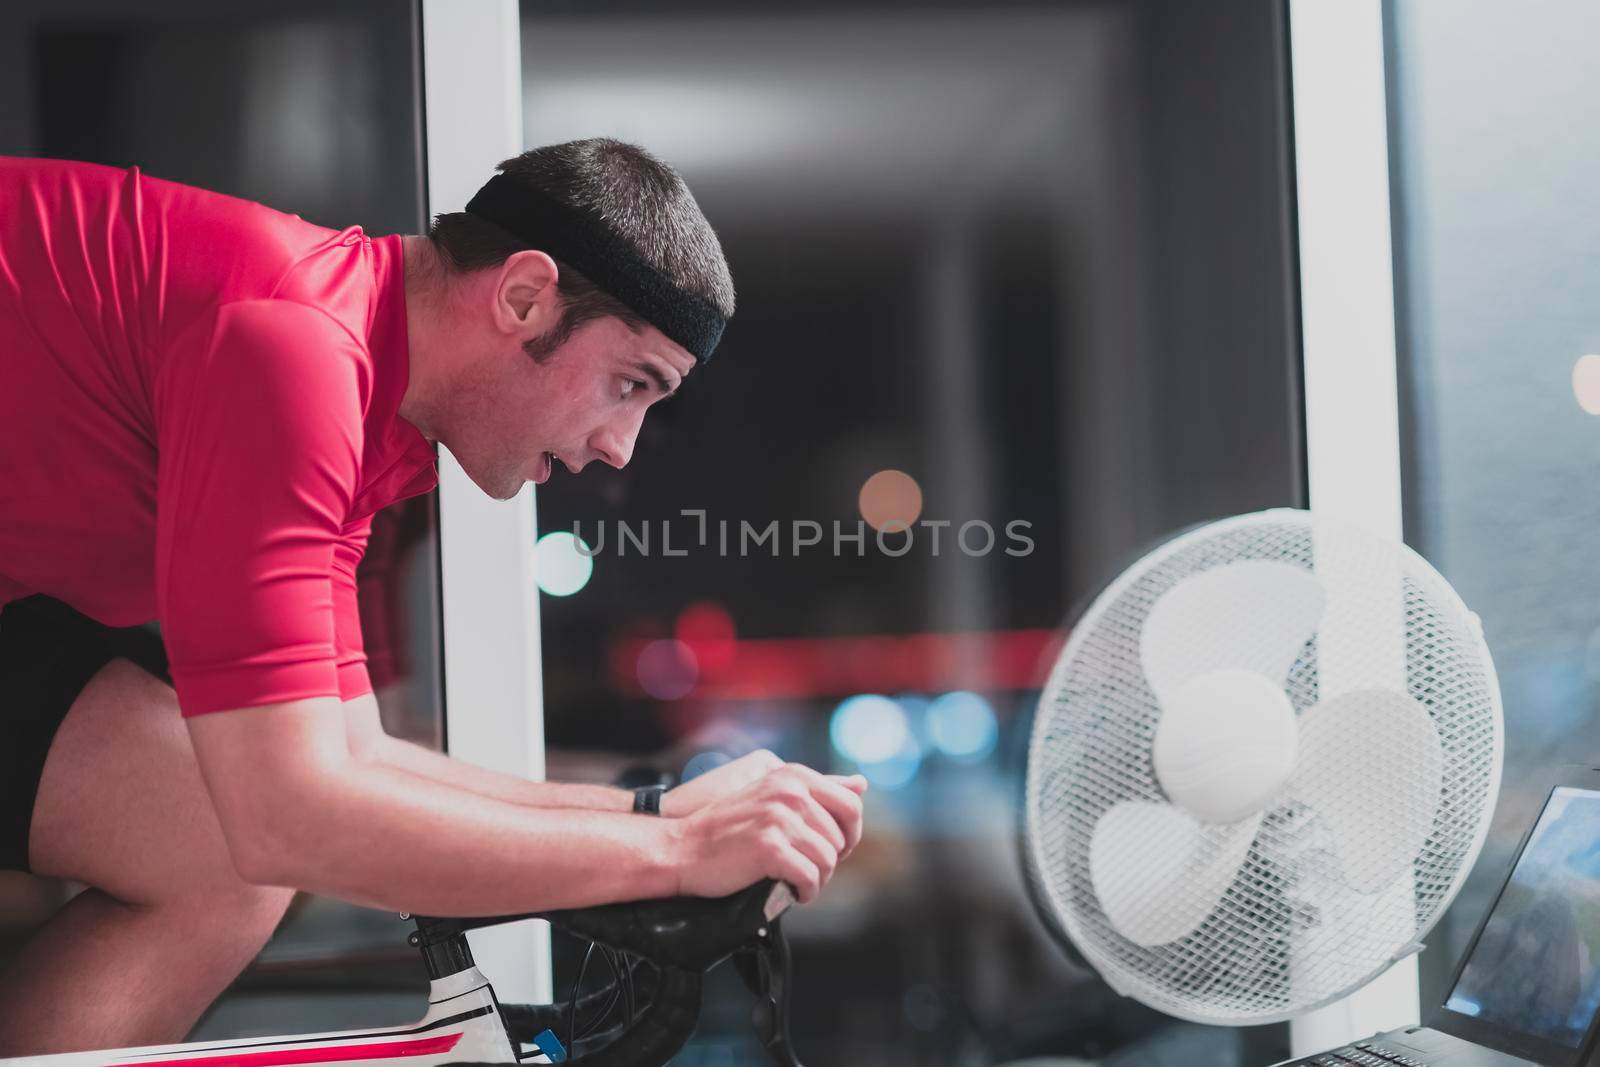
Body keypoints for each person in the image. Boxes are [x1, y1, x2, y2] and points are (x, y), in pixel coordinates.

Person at [0, 139, 867, 1054]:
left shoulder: (361, 393)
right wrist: (677, 857)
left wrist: (658, 815)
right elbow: (287, 815)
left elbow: (349, 759)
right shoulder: (292, 347)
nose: (621, 447)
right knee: (227, 845)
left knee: (208, 849)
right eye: (629, 385)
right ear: (524, 295)